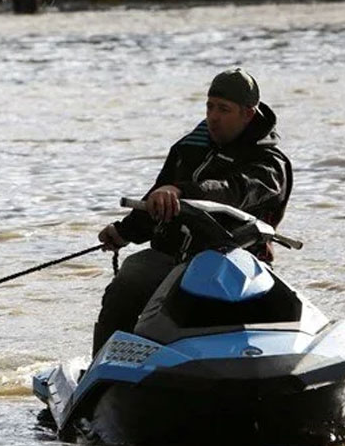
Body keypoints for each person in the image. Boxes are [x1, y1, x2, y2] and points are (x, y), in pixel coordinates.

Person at [92, 68, 293, 357]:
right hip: (173, 259)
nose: (213, 117)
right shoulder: (188, 148)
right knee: (130, 278)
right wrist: (122, 233)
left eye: (224, 109)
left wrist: (181, 191)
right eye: (210, 107)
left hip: (240, 265)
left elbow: (234, 190)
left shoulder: (270, 164)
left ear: (248, 114)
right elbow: (157, 199)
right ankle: (103, 368)